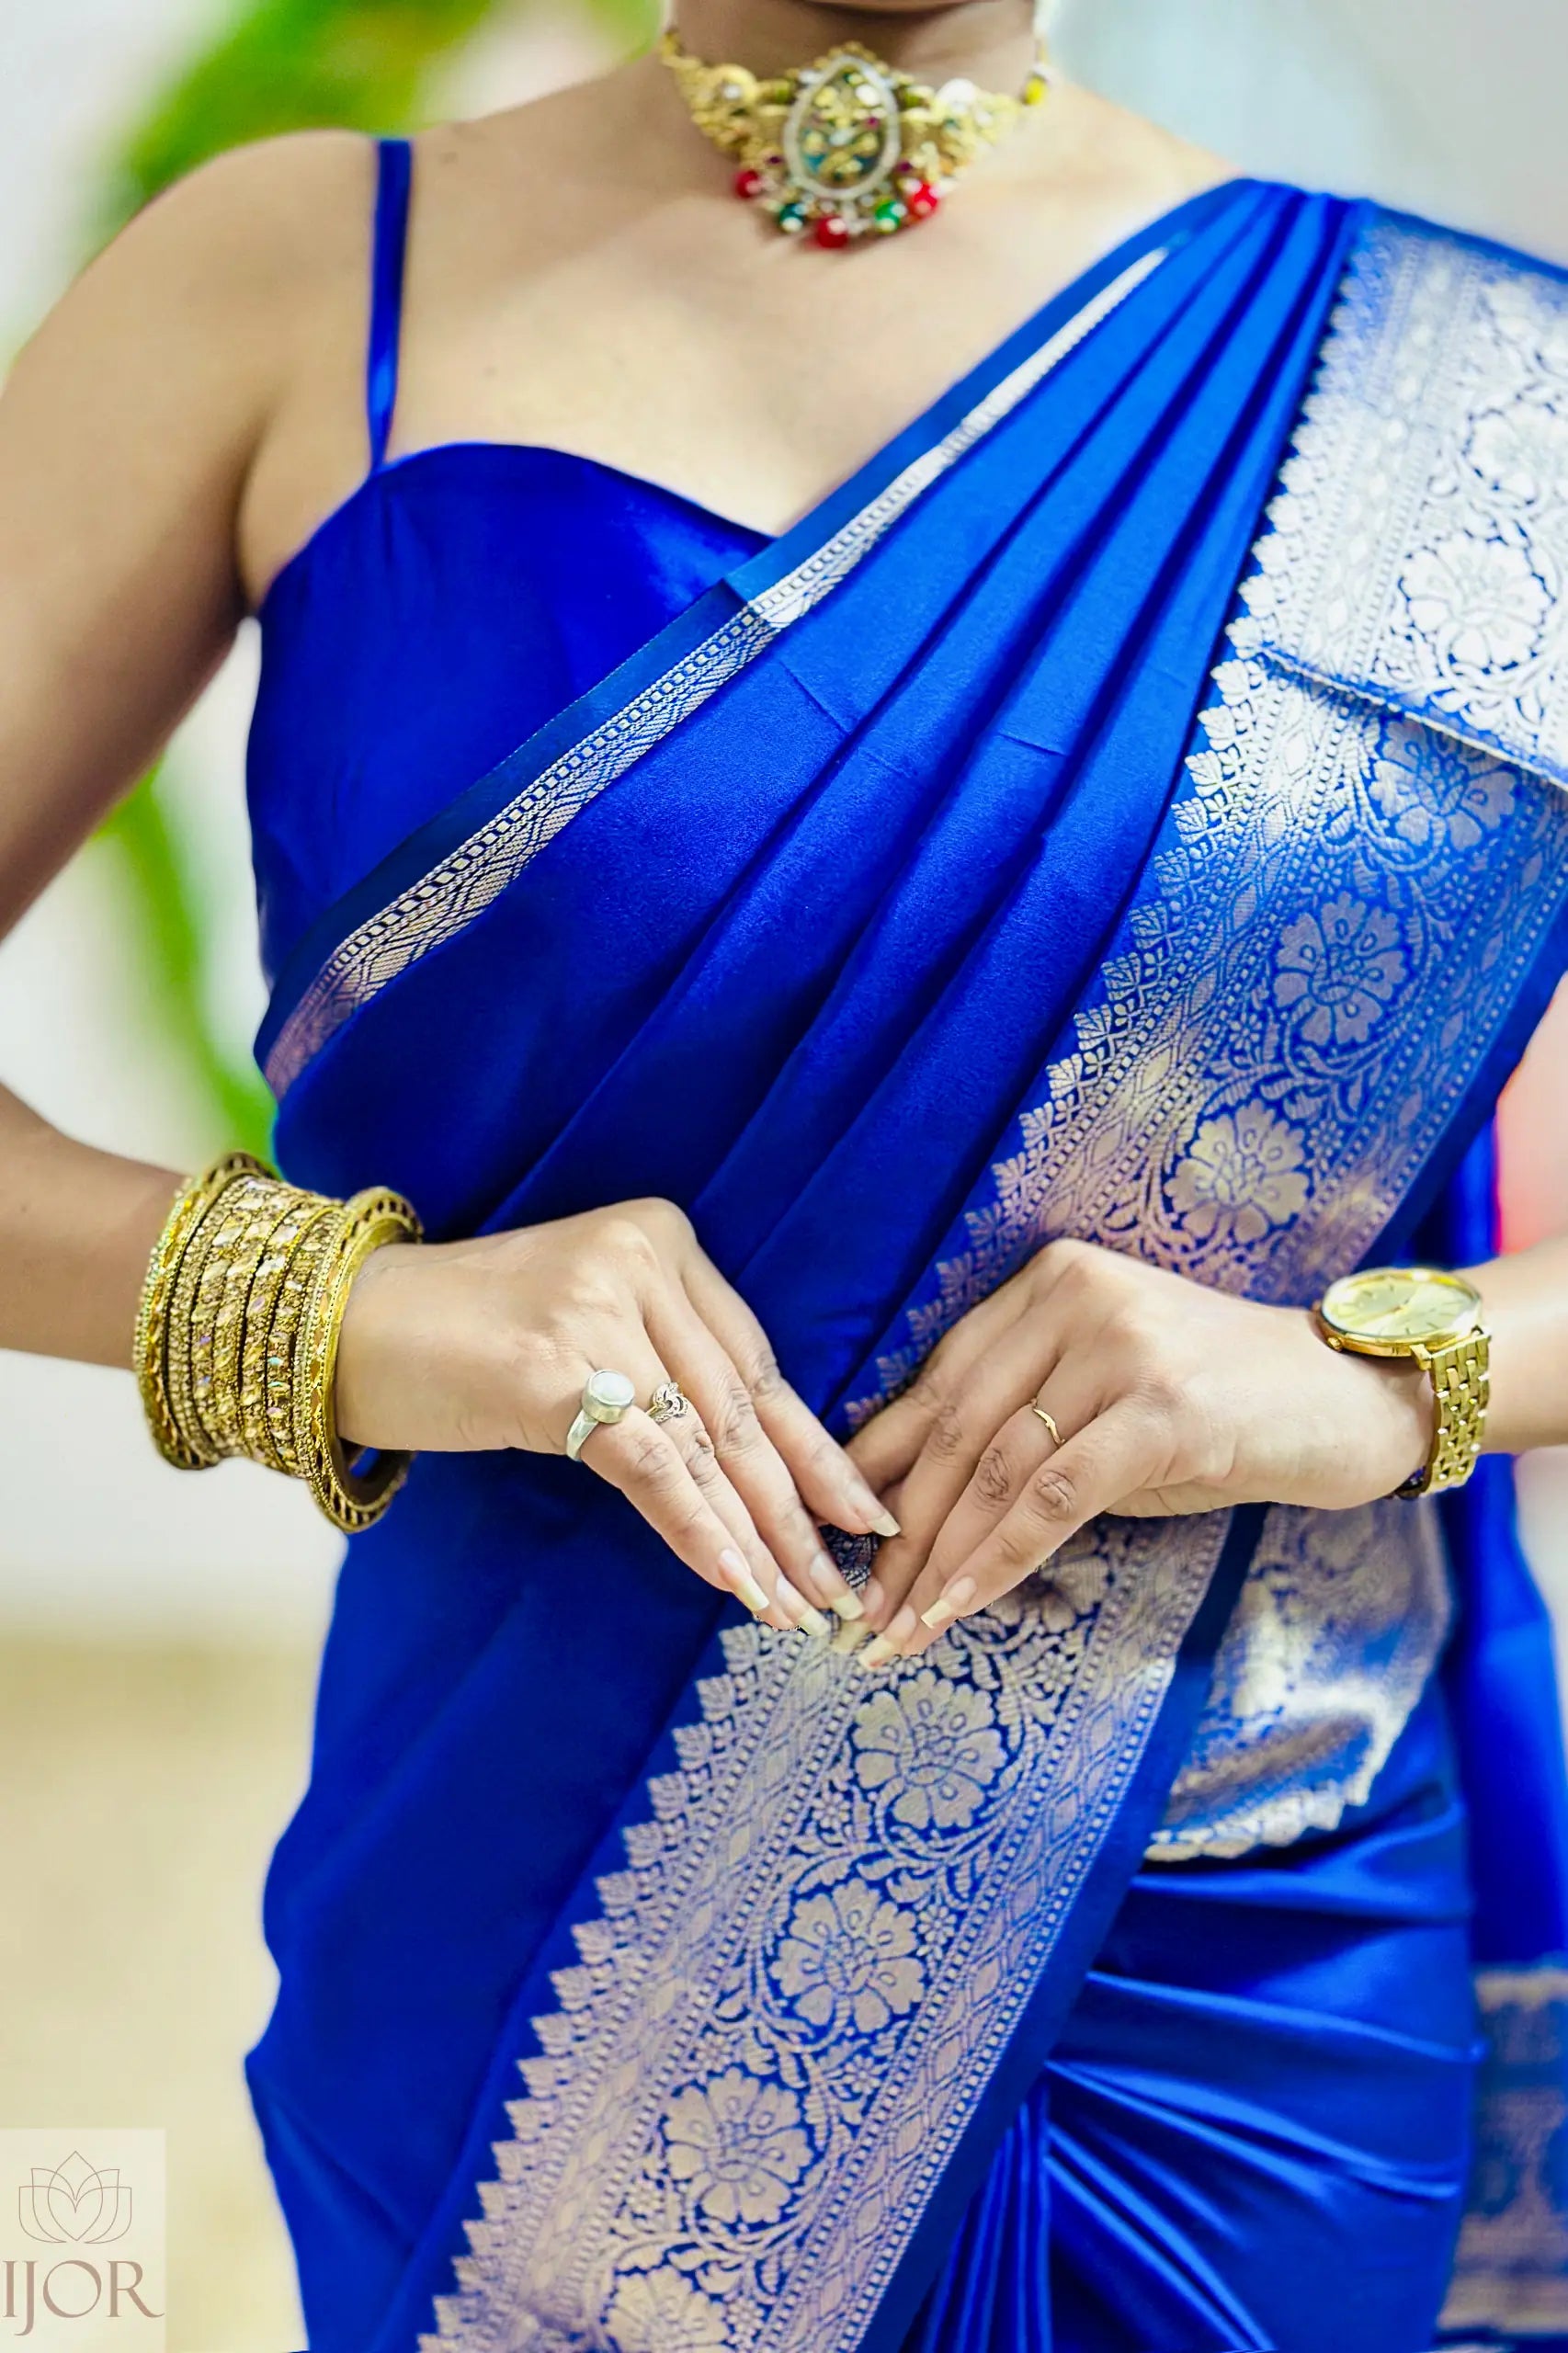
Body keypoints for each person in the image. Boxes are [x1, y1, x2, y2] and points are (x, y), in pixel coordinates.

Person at [3, 0, 1568, 2342]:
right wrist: (348, 1308)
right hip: (531, 1946)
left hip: (1234, 1955)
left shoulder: (1469, 391)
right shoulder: (295, 286)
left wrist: (1371, 1374)